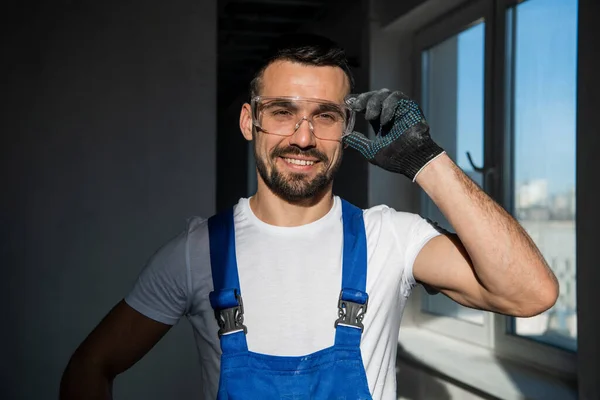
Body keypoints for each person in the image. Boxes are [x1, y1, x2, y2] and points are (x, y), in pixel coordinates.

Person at [59, 33, 559, 400]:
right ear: (248, 121)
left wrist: (427, 163)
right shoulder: (196, 254)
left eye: (325, 115)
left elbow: (531, 293)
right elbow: (91, 366)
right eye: (281, 112)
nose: (303, 137)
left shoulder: (391, 238)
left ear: (347, 126)